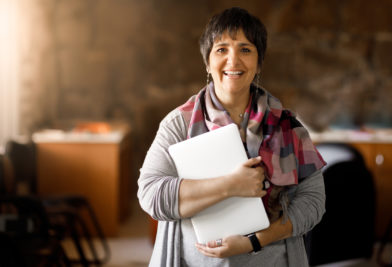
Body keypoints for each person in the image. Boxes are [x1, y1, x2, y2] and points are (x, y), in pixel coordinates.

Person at [138, 7, 326, 267]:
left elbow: (313, 202)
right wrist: (231, 185)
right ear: (207, 61)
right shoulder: (178, 124)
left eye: (245, 49)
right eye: (222, 49)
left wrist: (256, 240)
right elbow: (151, 196)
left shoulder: (288, 125)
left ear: (259, 62)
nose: (233, 61)